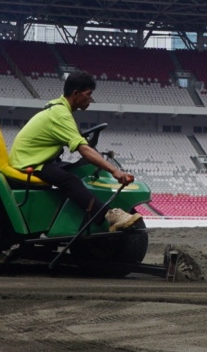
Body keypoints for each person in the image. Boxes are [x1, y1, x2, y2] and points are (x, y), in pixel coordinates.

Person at [10, 71, 141, 232]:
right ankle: (109, 216)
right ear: (76, 94)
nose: (90, 99)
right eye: (88, 94)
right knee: (70, 180)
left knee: (79, 168)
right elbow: (84, 149)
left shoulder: (57, 107)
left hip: (35, 158)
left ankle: (83, 217)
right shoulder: (61, 115)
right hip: (29, 161)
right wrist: (115, 171)